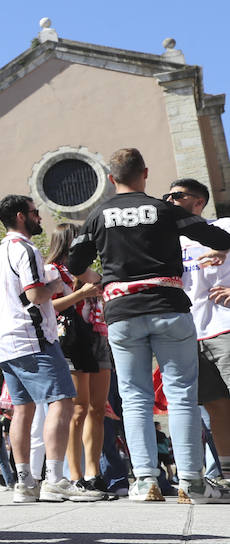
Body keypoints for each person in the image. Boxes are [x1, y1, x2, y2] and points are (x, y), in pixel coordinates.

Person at [67, 148, 230, 503]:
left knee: (134, 397)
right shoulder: (164, 209)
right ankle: (193, 483)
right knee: (182, 395)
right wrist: (223, 250)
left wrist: (98, 277)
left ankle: (145, 481)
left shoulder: (98, 214)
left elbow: (74, 260)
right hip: (169, 306)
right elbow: (216, 237)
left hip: (122, 313)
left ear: (111, 179)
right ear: (145, 173)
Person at [0, 194, 102, 503]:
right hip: (32, 337)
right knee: (62, 401)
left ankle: (24, 482)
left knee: (22, 409)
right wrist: (55, 285)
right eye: (36, 213)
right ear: (22, 216)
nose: (40, 218)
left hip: (5, 342)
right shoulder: (26, 250)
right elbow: (36, 295)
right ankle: (55, 478)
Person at [168, 177, 230, 483]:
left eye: (176, 196)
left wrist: (227, 251)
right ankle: (226, 475)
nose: (169, 200)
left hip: (225, 328)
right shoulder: (169, 241)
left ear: (198, 202)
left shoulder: (225, 226)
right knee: (216, 406)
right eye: (166, 195)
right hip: (190, 335)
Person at [45, 223, 111, 495]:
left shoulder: (91, 272)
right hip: (71, 340)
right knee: (78, 409)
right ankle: (75, 475)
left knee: (97, 408)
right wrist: (81, 294)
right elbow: (46, 306)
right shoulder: (53, 271)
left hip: (98, 336)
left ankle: (94, 472)